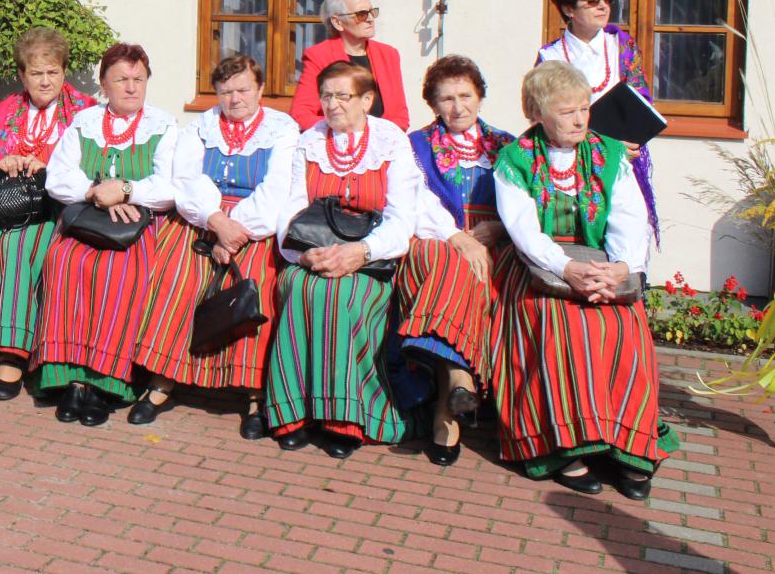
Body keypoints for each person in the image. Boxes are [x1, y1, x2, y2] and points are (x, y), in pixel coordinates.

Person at [491, 61, 677, 499]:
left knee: (624, 325)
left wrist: (621, 268)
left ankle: (627, 444)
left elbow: (629, 217)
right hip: (537, 266)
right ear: (537, 114)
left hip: (602, 264)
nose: (579, 119)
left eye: (584, 108)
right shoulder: (515, 159)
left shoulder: (608, 154)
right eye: (566, 112)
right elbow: (524, 232)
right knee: (561, 325)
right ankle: (563, 446)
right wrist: (566, 269)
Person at [132, 53, 299, 438]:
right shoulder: (200, 126)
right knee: (176, 275)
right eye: (225, 92)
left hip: (254, 224)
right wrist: (216, 221)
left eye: (243, 90)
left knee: (255, 284)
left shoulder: (282, 129)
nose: (234, 99)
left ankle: (253, 392)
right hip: (203, 218)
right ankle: (162, 381)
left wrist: (235, 232)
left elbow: (277, 190)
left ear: (260, 89)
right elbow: (186, 180)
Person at [266, 60, 417, 459]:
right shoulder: (309, 141)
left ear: (367, 100)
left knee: (340, 296)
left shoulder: (391, 141)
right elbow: (292, 204)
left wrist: (360, 252)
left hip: (371, 259)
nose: (332, 105)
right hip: (311, 252)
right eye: (326, 96)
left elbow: (402, 218)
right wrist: (299, 253)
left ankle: (344, 418)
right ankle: (293, 413)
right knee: (300, 287)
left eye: (342, 96)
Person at [35, 43, 178, 428]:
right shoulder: (84, 122)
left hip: (138, 225)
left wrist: (126, 190)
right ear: (103, 85)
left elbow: (170, 186)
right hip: (87, 218)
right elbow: (58, 175)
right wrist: (94, 192)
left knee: (120, 272)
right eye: (121, 80)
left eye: (139, 79)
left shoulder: (163, 126)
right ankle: (70, 379)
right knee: (63, 261)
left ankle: (104, 383)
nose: (131, 88)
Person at [0, 28, 94, 400]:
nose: (45, 81)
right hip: (10, 203)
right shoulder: (7, 110)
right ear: (22, 75)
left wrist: (49, 167)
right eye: (36, 73)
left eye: (53, 72)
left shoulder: (84, 112)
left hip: (55, 208)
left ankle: (13, 354)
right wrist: (5, 161)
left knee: (18, 248)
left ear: (64, 72)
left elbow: (89, 166)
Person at [400, 55, 515, 466]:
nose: (458, 107)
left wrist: (498, 228)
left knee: (487, 273)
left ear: (480, 97)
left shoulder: (507, 146)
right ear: (433, 104)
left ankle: (448, 400)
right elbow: (414, 203)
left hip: (494, 242)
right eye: (446, 98)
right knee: (449, 265)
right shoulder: (415, 146)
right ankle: (458, 381)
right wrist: (457, 238)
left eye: (465, 96)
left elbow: (528, 204)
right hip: (436, 239)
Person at [536, 0, 660, 240]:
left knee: (626, 240)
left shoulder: (623, 47)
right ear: (569, 9)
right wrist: (598, 149)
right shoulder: (550, 57)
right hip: (568, 167)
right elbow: (543, 118)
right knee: (576, 243)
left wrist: (626, 143)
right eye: (593, 1)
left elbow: (640, 102)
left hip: (623, 163)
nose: (603, 6)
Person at [288, 0, 409, 131]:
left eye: (372, 12)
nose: (370, 19)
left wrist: (375, 136)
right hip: (336, 140)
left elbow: (401, 116)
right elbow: (301, 114)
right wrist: (346, 131)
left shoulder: (388, 55)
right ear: (337, 22)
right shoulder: (319, 56)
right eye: (361, 14)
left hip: (382, 141)